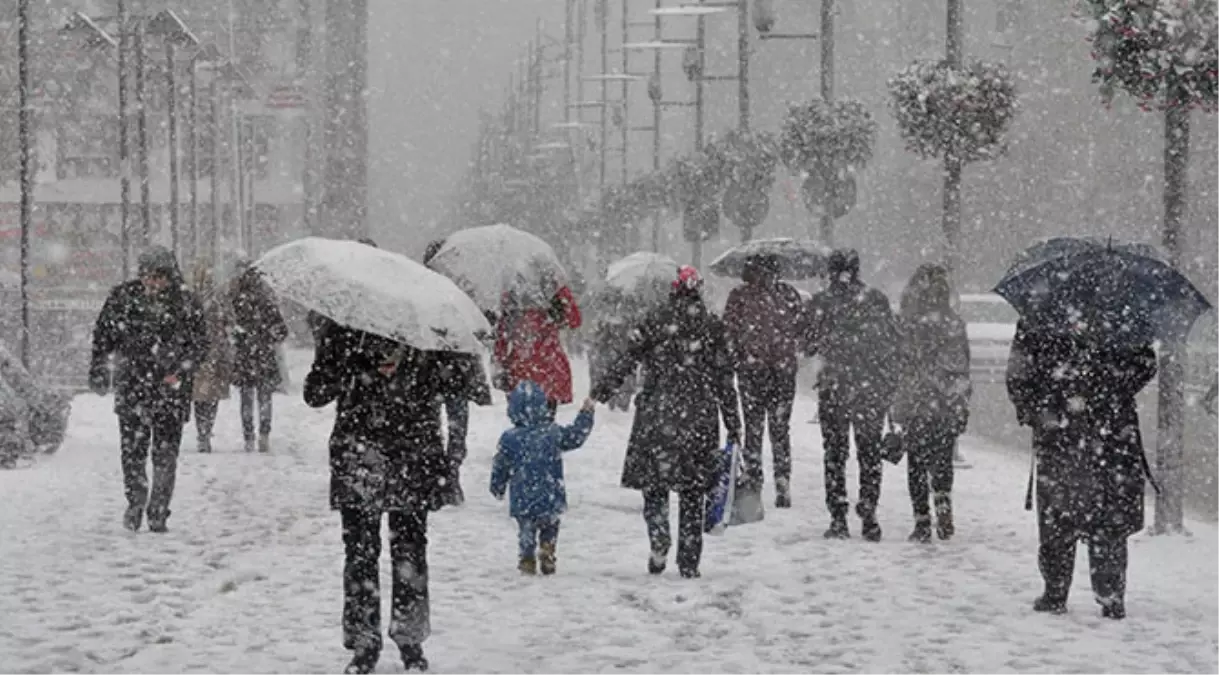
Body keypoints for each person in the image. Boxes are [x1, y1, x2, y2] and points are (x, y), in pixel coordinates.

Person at [304, 325, 452, 674]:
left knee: (410, 551)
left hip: (411, 457)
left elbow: (453, 388)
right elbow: (314, 393)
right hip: (359, 458)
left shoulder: (424, 334)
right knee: (360, 553)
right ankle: (364, 640)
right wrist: (346, 365)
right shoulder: (342, 333)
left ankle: (410, 638)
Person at [591, 266, 741, 579]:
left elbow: (627, 358)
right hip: (699, 417)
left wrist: (600, 391)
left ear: (673, 290)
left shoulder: (655, 320)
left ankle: (659, 536)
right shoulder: (712, 327)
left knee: (655, 484)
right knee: (692, 492)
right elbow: (725, 379)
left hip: (657, 414)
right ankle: (689, 560)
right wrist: (733, 422)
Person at [1006, 313, 1155, 620]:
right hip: (1111, 431)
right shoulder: (1121, 310)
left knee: (1057, 515)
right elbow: (1144, 365)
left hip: (1060, 431)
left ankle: (1056, 590)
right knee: (1108, 514)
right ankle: (1109, 592)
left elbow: (1019, 373)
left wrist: (1039, 408)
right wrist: (1107, 384)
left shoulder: (1040, 313)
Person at [90, 246, 207, 533]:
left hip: (170, 389)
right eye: (147, 276)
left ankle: (159, 508)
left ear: (170, 277)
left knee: (165, 453)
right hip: (133, 385)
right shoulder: (122, 298)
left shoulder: (186, 303)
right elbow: (103, 336)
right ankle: (136, 500)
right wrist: (99, 369)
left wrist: (179, 368)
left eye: (158, 278)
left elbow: (201, 345)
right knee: (132, 451)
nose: (152, 283)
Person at [806, 249, 898, 541]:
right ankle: (869, 512)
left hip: (835, 387)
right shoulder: (876, 300)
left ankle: (838, 516)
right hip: (870, 389)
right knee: (869, 453)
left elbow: (807, 344)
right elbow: (893, 343)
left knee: (835, 454)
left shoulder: (821, 303)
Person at [890, 264, 971, 542]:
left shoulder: (908, 324)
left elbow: (899, 365)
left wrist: (898, 404)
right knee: (942, 457)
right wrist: (960, 401)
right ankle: (943, 499)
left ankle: (922, 520)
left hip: (918, 401)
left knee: (916, 462)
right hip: (946, 400)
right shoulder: (954, 324)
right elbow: (963, 366)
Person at [723, 253, 806, 509]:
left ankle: (754, 480)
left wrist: (738, 359)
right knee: (780, 429)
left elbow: (729, 331)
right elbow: (803, 329)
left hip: (752, 371)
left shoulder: (740, 296)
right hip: (782, 372)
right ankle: (782, 480)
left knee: (754, 428)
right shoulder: (788, 294)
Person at [489, 381, 596, 575]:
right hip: (550, 491)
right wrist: (586, 415)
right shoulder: (552, 432)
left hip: (523, 495)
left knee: (526, 528)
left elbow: (500, 465)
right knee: (550, 524)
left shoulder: (510, 438)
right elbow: (575, 437)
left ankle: (527, 556)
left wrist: (497, 486)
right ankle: (548, 548)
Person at [494, 280, 582, 416]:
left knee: (521, 426)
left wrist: (500, 362)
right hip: (549, 369)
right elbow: (575, 320)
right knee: (545, 426)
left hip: (520, 370)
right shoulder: (553, 291)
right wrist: (561, 293)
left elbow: (502, 337)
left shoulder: (512, 293)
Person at [230, 261, 288, 453]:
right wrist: (269, 334)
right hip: (263, 355)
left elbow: (232, 330)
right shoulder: (267, 302)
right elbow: (282, 331)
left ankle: (249, 436)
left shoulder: (237, 301)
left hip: (246, 356)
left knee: (247, 398)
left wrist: (240, 336)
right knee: (264, 398)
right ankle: (264, 434)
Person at [191, 262, 234, 454]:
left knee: (203, 396)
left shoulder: (194, 300)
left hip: (204, 355)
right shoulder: (218, 300)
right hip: (212, 354)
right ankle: (205, 431)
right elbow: (230, 322)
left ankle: (204, 432)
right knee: (208, 397)